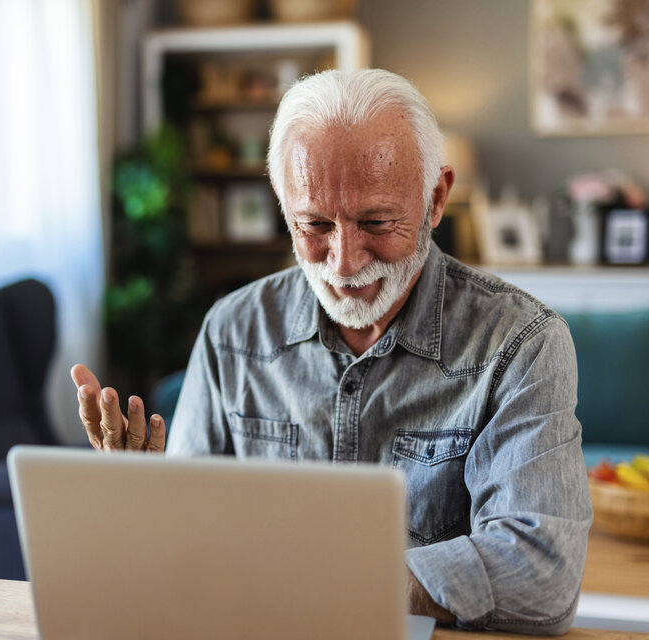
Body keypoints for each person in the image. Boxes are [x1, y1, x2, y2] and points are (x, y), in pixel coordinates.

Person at [71, 69, 592, 635]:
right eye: (314, 224)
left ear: (436, 198)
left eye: (376, 221)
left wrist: (333, 583)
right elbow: (191, 549)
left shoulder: (523, 343)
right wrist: (145, 502)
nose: (343, 262)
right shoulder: (232, 329)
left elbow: (543, 573)